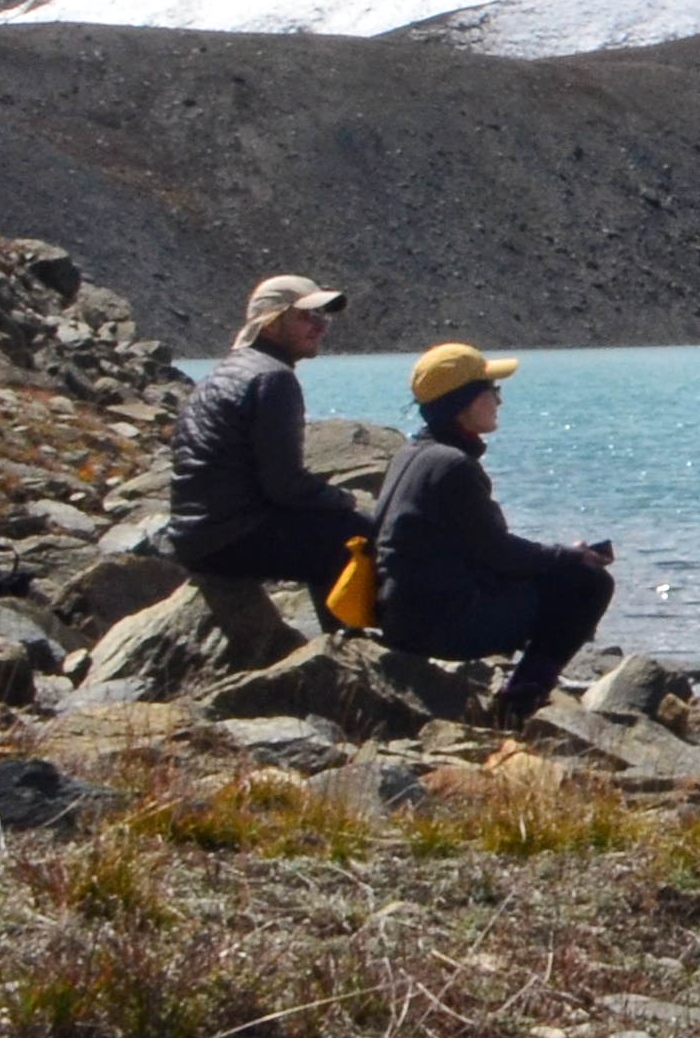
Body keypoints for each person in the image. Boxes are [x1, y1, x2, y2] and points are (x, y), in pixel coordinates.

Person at [370, 341, 618, 726]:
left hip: (402, 614)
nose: (499, 401)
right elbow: (500, 555)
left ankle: (518, 697)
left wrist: (553, 557)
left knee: (557, 571)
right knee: (588, 583)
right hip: (440, 625)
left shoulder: (413, 453)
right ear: (465, 402)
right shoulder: (454, 466)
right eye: (492, 391)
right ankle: (517, 706)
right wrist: (569, 556)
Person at [167, 273, 366, 605]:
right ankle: (350, 643)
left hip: (196, 536)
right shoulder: (273, 378)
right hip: (228, 539)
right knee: (359, 537)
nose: (321, 327)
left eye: (323, 317)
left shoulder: (231, 369)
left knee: (330, 528)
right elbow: (285, 485)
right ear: (271, 323)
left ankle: (341, 640)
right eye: (307, 316)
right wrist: (345, 500)